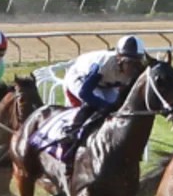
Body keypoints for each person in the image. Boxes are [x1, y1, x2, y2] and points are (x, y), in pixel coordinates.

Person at [57, 36, 147, 164]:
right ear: (119, 59)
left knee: (118, 109)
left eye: (136, 63)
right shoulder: (104, 64)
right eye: (129, 63)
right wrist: (104, 106)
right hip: (81, 79)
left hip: (106, 84)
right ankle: (70, 138)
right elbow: (85, 93)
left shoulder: (138, 69)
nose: (132, 68)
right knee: (93, 106)